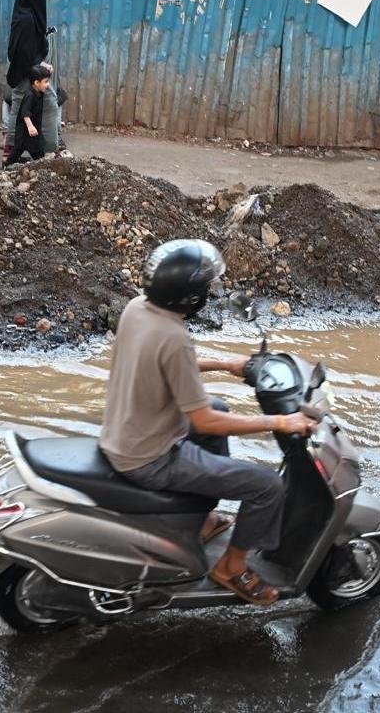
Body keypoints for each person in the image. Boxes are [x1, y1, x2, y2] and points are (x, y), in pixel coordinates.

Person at [99, 240, 319, 606]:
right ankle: (231, 567)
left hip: (127, 432)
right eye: (203, 288)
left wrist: (225, 364)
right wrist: (281, 421)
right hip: (150, 458)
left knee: (217, 401)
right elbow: (206, 421)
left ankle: (199, 520)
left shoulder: (138, 309)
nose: (207, 293)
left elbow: (163, 361)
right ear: (189, 297)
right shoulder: (174, 337)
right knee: (266, 486)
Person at [4, 0, 61, 162]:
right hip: (25, 70)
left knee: (18, 105)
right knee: (50, 102)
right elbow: (22, 50)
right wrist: (39, 65)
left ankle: (12, 148)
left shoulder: (24, 12)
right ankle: (50, 151)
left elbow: (24, 46)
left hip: (23, 68)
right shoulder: (27, 20)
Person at [5, 66, 50, 165]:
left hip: (34, 130)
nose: (48, 85)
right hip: (25, 130)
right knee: (17, 150)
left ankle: (41, 164)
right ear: (36, 83)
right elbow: (25, 112)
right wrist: (30, 126)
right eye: (46, 82)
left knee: (38, 149)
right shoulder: (30, 95)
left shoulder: (39, 93)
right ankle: (7, 165)